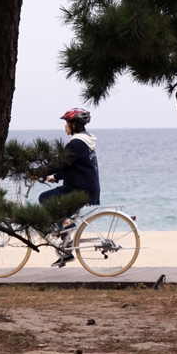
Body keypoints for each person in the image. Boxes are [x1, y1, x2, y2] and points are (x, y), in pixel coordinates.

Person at [41, 108, 100, 267]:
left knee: (45, 198)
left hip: (79, 189)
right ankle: (66, 253)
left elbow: (60, 163)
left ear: (74, 125)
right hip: (87, 187)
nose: (65, 126)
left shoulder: (76, 143)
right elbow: (73, 166)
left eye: (67, 123)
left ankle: (66, 226)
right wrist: (56, 177)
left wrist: (38, 173)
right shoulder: (86, 142)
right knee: (64, 217)